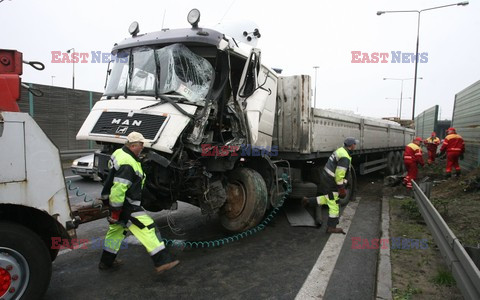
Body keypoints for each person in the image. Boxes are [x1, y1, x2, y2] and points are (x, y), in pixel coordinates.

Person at [99, 131, 180, 273]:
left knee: (116, 231)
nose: (143, 147)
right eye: (141, 145)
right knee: (148, 227)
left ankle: (106, 262)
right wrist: (117, 211)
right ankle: (162, 262)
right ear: (133, 145)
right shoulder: (127, 163)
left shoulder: (120, 153)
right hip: (126, 204)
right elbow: (119, 189)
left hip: (116, 202)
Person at [302, 137, 357, 234]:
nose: (355, 146)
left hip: (327, 178)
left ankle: (308, 201)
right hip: (332, 181)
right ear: (351, 146)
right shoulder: (344, 157)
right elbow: (339, 175)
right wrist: (341, 189)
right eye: (354, 144)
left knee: (329, 198)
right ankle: (331, 227)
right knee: (334, 203)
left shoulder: (341, 150)